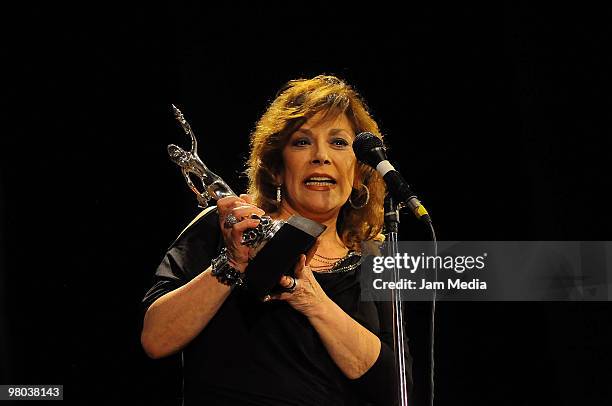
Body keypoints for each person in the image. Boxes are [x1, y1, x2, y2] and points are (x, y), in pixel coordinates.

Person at [141, 75, 413, 405]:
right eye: (301, 142)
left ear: (358, 173)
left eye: (339, 143)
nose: (321, 156)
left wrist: (313, 301)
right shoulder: (225, 226)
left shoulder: (377, 258)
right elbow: (156, 339)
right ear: (276, 169)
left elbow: (396, 391)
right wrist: (233, 262)